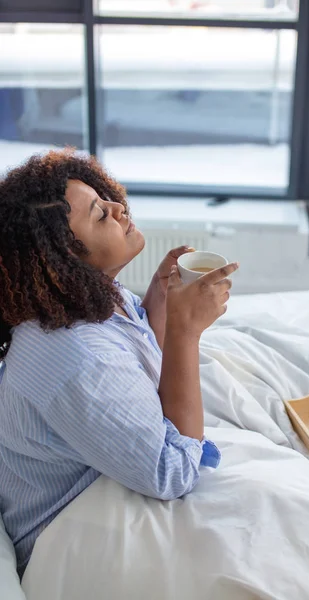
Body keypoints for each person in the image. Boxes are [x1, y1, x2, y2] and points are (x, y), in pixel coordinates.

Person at [0, 148, 238, 577]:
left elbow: (132, 343)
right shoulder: (76, 360)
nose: (118, 207)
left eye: (103, 199)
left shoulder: (78, 297)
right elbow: (173, 473)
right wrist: (186, 333)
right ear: (62, 259)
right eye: (100, 216)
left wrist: (160, 299)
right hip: (73, 529)